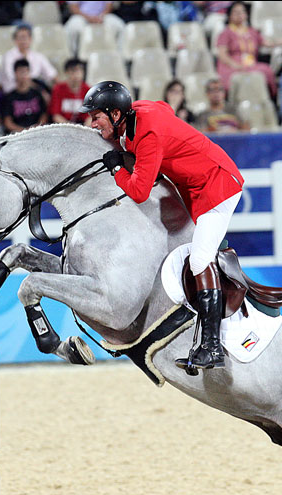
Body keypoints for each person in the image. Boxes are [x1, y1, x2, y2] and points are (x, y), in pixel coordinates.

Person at [79, 81, 245, 370]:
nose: (92, 123)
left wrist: (118, 168)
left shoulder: (148, 132)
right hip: (196, 188)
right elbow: (164, 108)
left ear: (116, 115)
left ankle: (212, 347)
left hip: (218, 187)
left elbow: (140, 192)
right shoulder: (139, 112)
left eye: (96, 117)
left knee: (200, 260)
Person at [215, 1, 282, 98]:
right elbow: (222, 55)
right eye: (236, 12)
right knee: (238, 77)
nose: (239, 15)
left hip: (250, 64)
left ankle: (268, 99)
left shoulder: (252, 31)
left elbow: (269, 43)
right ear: (229, 15)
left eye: (242, 12)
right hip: (231, 65)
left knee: (266, 70)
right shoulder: (226, 33)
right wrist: (235, 65)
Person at [0, 24, 58, 95]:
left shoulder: (38, 56)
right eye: (20, 38)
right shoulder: (8, 56)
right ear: (15, 40)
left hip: (33, 91)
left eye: (26, 37)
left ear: (30, 39)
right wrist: (38, 89)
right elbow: (13, 77)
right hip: (14, 91)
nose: (23, 41)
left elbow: (52, 74)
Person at [1, 59, 49, 133]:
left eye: (26, 72)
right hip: (17, 134)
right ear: (15, 73)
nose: (23, 75)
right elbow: (8, 122)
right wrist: (24, 131)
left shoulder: (37, 94)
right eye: (20, 72)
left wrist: (36, 128)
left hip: (37, 132)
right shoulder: (9, 97)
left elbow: (44, 116)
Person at [49, 58, 91, 124]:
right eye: (73, 71)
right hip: (63, 126)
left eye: (80, 71)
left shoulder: (88, 90)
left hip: (82, 126)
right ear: (66, 73)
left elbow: (89, 117)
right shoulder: (58, 89)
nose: (77, 75)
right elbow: (56, 115)